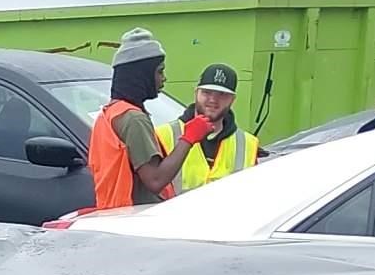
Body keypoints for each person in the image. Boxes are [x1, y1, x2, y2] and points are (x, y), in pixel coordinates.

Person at [84, 28, 207, 209]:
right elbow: (155, 180)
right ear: (141, 74)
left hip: (114, 214)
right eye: (159, 71)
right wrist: (189, 138)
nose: (164, 78)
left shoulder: (109, 114)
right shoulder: (133, 119)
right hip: (133, 219)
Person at [166, 63, 259, 190]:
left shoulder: (249, 143)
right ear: (196, 93)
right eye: (207, 92)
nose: (213, 100)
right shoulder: (164, 135)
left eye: (221, 94)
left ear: (232, 99)